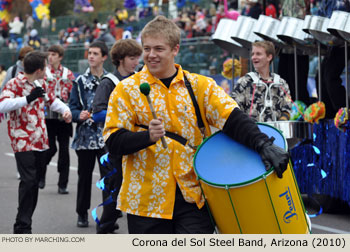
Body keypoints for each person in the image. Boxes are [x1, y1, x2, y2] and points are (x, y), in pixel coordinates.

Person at [103, 16, 289, 234]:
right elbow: (113, 141)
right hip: (145, 204)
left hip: (194, 198)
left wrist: (263, 144)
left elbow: (231, 118)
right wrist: (147, 137)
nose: (151, 55)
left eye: (159, 49)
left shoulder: (200, 85)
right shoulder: (126, 90)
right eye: (147, 48)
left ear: (175, 50)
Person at [0, 51, 72, 234]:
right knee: (29, 180)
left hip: (40, 140)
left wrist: (65, 110)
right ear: (39, 69)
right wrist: (27, 98)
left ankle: (25, 221)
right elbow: (2, 105)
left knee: (34, 183)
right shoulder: (14, 83)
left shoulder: (41, 83)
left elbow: (52, 101)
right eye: (45, 66)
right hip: (22, 140)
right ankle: (22, 226)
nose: (47, 69)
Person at [92, 39, 142, 234]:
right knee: (116, 191)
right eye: (132, 57)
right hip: (116, 144)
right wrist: (125, 113)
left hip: (138, 142)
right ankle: (103, 229)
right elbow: (97, 114)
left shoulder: (140, 79)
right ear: (120, 59)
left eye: (137, 57)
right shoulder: (108, 83)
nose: (136, 61)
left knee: (136, 192)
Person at [69, 41, 109, 228]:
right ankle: (82, 214)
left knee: (109, 178)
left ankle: (109, 216)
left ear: (104, 57)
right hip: (85, 138)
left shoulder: (111, 81)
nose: (91, 56)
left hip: (107, 137)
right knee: (84, 178)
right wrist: (79, 115)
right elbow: (72, 107)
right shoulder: (79, 81)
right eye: (89, 53)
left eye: (95, 53)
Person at [38, 45, 75, 192]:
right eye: (49, 54)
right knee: (50, 148)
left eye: (54, 54)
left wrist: (70, 110)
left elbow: (73, 94)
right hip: (48, 116)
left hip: (63, 116)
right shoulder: (43, 72)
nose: (50, 57)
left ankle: (62, 184)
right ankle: (41, 175)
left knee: (64, 151)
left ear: (60, 57)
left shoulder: (68, 73)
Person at [231, 41, 292, 122]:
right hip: (250, 132)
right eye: (253, 54)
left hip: (275, 132)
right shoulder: (243, 82)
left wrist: (279, 125)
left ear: (269, 57)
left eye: (258, 54)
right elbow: (234, 110)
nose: (253, 57)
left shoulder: (281, 83)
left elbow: (287, 109)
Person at [316, 0, 350, 118]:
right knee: (320, 78)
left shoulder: (341, 2)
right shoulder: (325, 2)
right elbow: (320, 18)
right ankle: (328, 115)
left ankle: (343, 113)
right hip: (335, 43)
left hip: (345, 42)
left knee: (331, 78)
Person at [278, 0, 312, 106]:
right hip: (285, 47)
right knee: (284, 84)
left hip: (299, 48)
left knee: (298, 86)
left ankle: (303, 117)